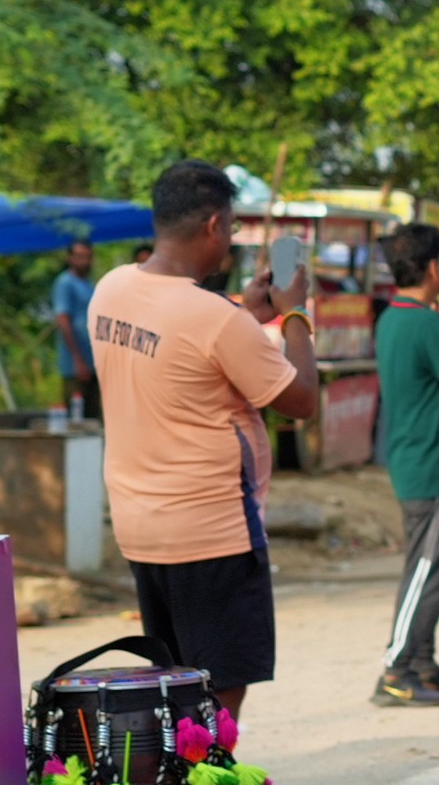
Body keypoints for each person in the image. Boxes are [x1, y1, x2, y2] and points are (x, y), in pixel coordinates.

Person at [92, 159, 319, 721]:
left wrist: (244, 313)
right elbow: (301, 399)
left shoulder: (111, 288)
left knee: (173, 684)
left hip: (142, 525)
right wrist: (294, 313)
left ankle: (178, 779)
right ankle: (204, 780)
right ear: (215, 225)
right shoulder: (216, 319)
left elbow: (180, 343)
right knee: (220, 690)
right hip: (211, 530)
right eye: (234, 227)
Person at [372, 222, 439, 707]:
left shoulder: (393, 317)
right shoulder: (427, 322)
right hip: (431, 464)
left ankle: (424, 665)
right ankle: (396, 670)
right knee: (424, 571)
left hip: (418, 458)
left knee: (430, 570)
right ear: (434, 267)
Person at [49, 239, 100, 422]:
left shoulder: (89, 285)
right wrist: (78, 360)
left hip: (92, 361)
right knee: (76, 417)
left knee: (93, 417)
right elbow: (63, 320)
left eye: (87, 257)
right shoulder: (65, 283)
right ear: (70, 258)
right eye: (79, 256)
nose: (84, 261)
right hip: (75, 365)